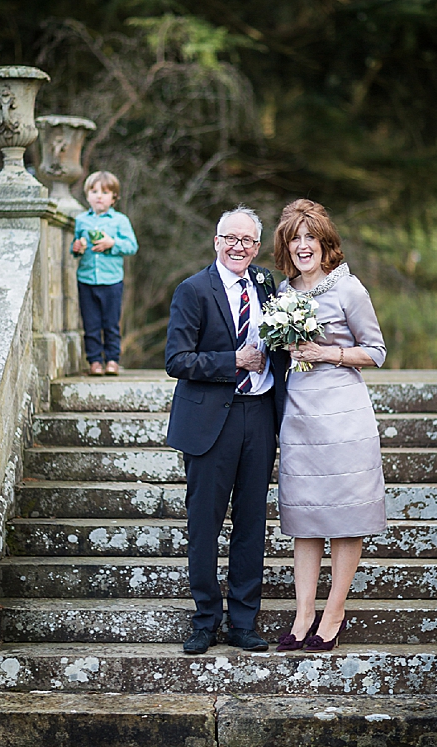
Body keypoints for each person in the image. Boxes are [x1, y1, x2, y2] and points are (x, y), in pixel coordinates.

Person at [165, 206, 285, 655]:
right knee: (205, 524)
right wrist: (233, 360)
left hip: (259, 415)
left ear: (257, 247)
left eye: (249, 241)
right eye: (231, 239)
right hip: (209, 419)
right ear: (217, 241)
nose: (239, 247)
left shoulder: (267, 285)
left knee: (252, 522)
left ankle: (242, 621)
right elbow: (177, 360)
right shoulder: (193, 290)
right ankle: (204, 620)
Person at [273, 198, 387, 653]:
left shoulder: (349, 289)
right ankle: (302, 616)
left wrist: (328, 353)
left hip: (344, 414)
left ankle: (333, 614)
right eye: (294, 238)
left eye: (310, 238)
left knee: (344, 517)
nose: (303, 246)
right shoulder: (283, 295)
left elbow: (375, 351)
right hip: (300, 413)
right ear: (287, 246)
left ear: (325, 244)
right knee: (304, 518)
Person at [72, 170, 138, 376]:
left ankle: (112, 360)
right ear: (87, 195)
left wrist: (113, 243)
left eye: (105, 192)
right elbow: (75, 249)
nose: (99, 196)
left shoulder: (120, 221)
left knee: (110, 324)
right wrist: (77, 248)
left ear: (114, 197)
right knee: (90, 324)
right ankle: (94, 361)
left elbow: (132, 246)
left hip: (112, 281)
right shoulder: (81, 220)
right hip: (86, 279)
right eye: (94, 191)